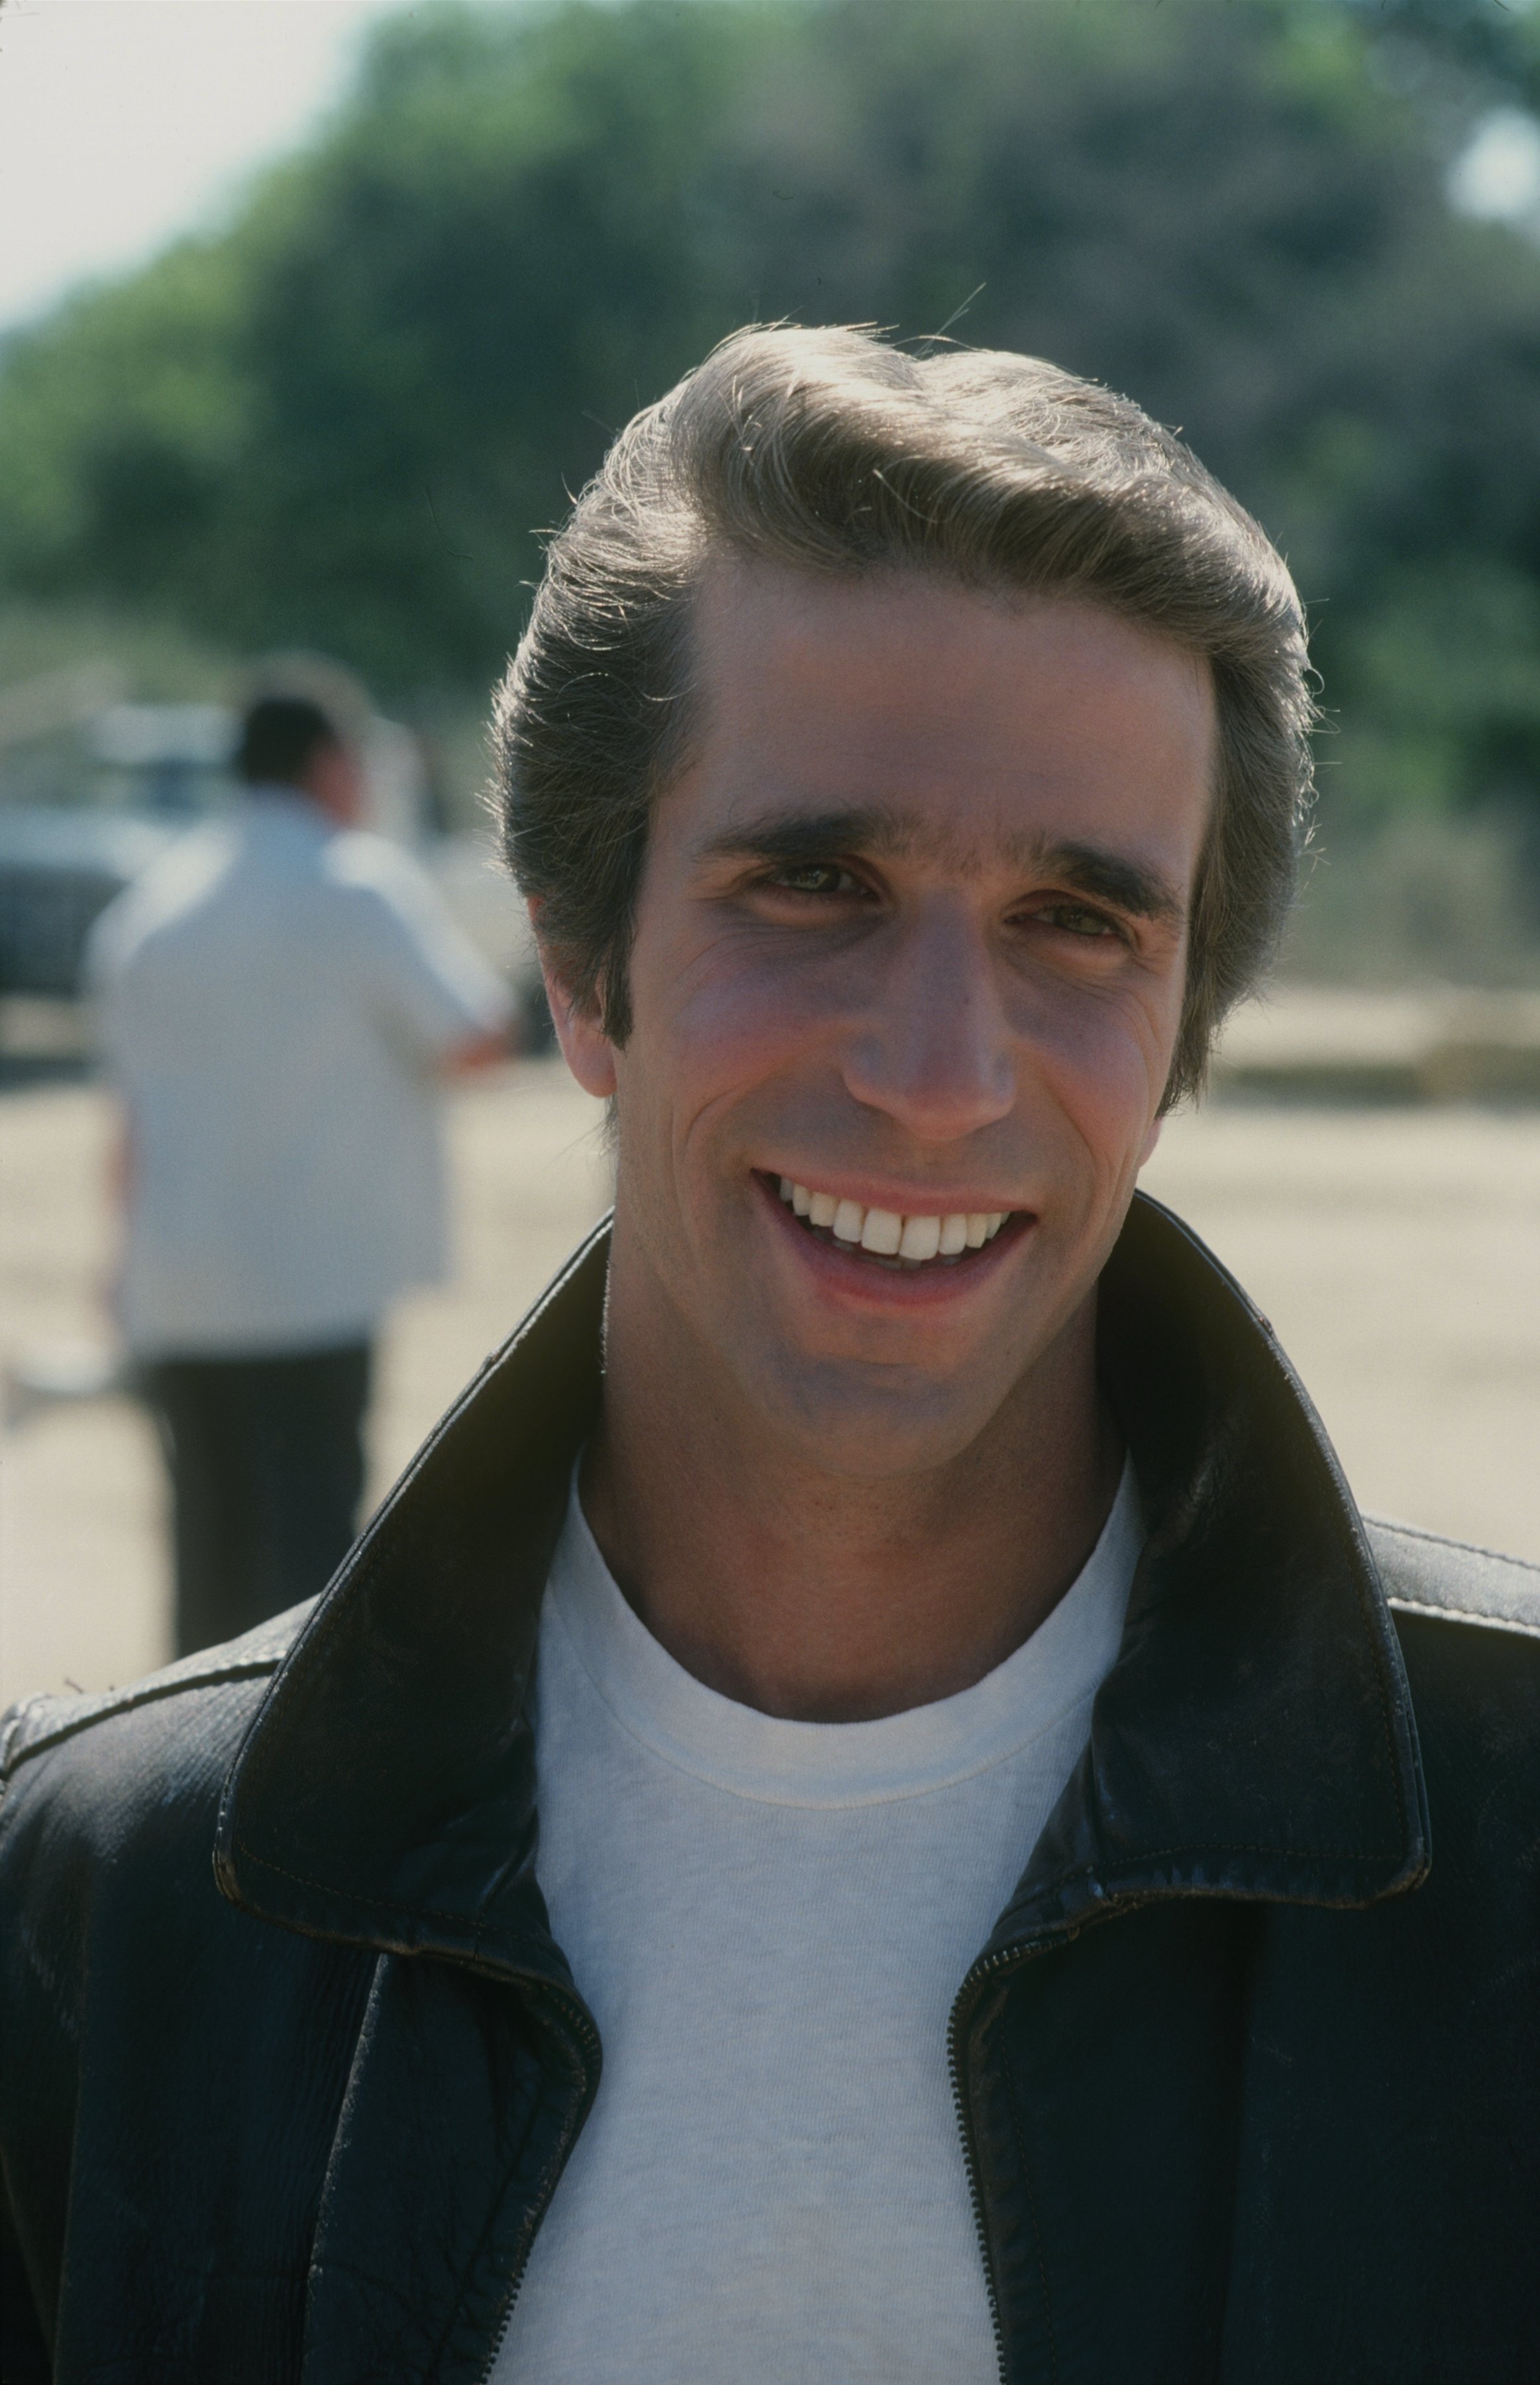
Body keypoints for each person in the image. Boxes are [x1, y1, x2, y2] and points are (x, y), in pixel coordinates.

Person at [2, 326, 1537, 2382]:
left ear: (1179, 1038)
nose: (933, 1077)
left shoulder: (1511, 1855)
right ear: (576, 960)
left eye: (1075, 923)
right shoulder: (105, 1918)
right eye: (814, 881)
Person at [86, 687, 512, 1656]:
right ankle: (288, 1792)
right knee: (304, 1580)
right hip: (310, 1287)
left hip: (177, 1287)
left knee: (204, 1562)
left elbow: (129, 1122)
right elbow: (479, 1036)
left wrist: (116, 1271)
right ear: (327, 765)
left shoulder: (152, 909)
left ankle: (173, 1783)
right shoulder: (355, 884)